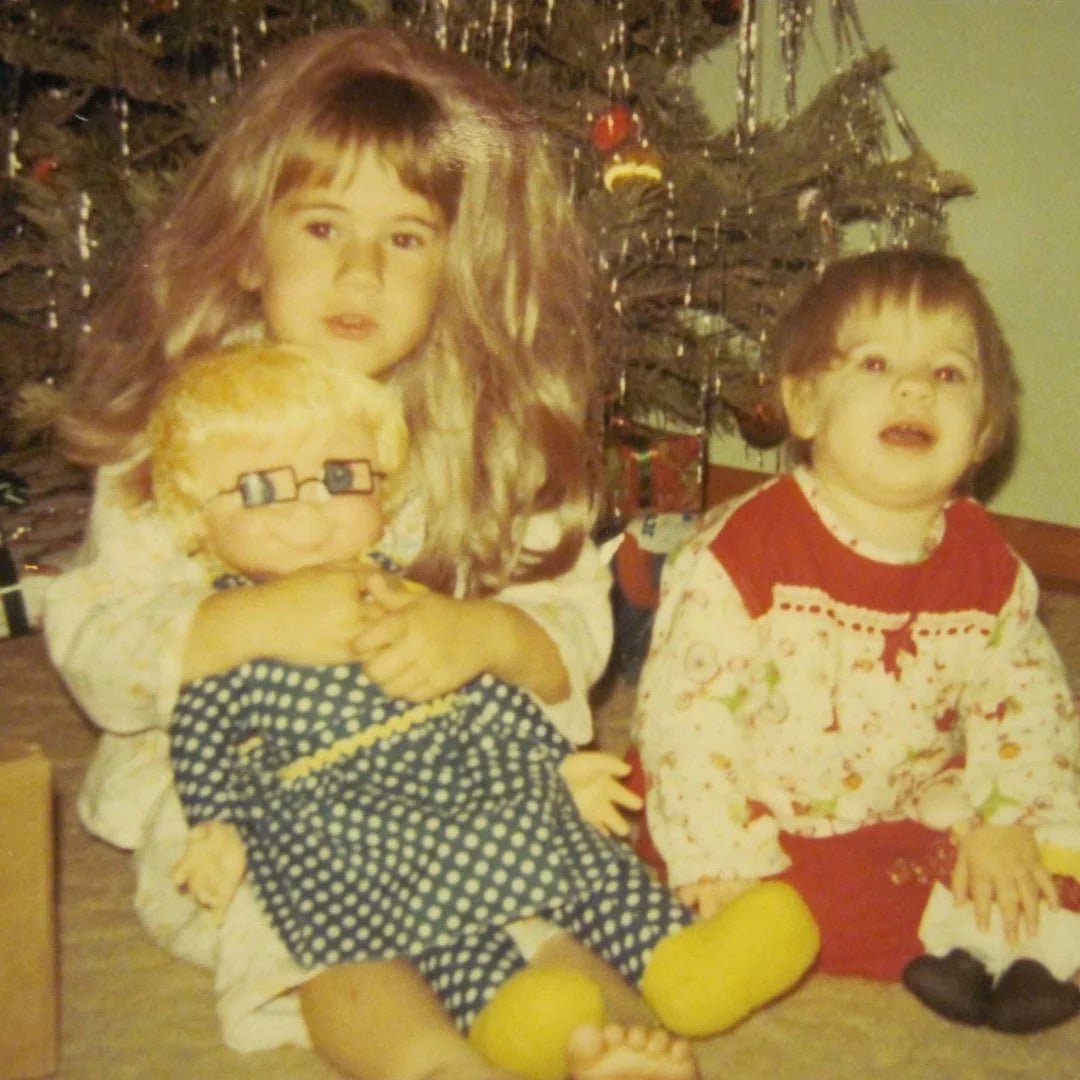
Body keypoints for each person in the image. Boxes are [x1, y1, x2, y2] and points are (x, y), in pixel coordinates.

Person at [40, 27, 805, 1080]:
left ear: (460, 262)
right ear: (250, 244)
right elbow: (93, 633)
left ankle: (582, 1028)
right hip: (265, 798)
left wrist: (481, 637)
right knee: (317, 928)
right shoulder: (188, 434)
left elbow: (570, 622)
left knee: (540, 861)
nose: (358, 269)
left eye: (406, 238)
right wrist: (242, 623)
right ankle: (428, 1062)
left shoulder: (483, 430)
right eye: (322, 226)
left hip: (447, 768)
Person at [152, 340, 818, 1079]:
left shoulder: (403, 588)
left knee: (584, 858)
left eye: (339, 476)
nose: (308, 508)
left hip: (477, 775)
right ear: (197, 519)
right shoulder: (232, 627)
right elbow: (200, 729)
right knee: (438, 931)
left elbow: (483, 686)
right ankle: (517, 1014)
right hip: (351, 830)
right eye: (259, 489)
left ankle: (685, 961)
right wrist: (215, 824)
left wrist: (557, 762)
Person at [630, 249, 1080, 1033]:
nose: (914, 388)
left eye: (948, 374)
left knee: (1050, 839)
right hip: (767, 808)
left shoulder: (988, 568)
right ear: (804, 404)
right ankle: (970, 940)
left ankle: (1005, 943)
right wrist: (721, 861)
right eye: (876, 363)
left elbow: (1026, 702)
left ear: (983, 432)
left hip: (914, 802)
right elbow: (686, 723)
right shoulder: (739, 555)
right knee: (798, 908)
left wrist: (1007, 819)